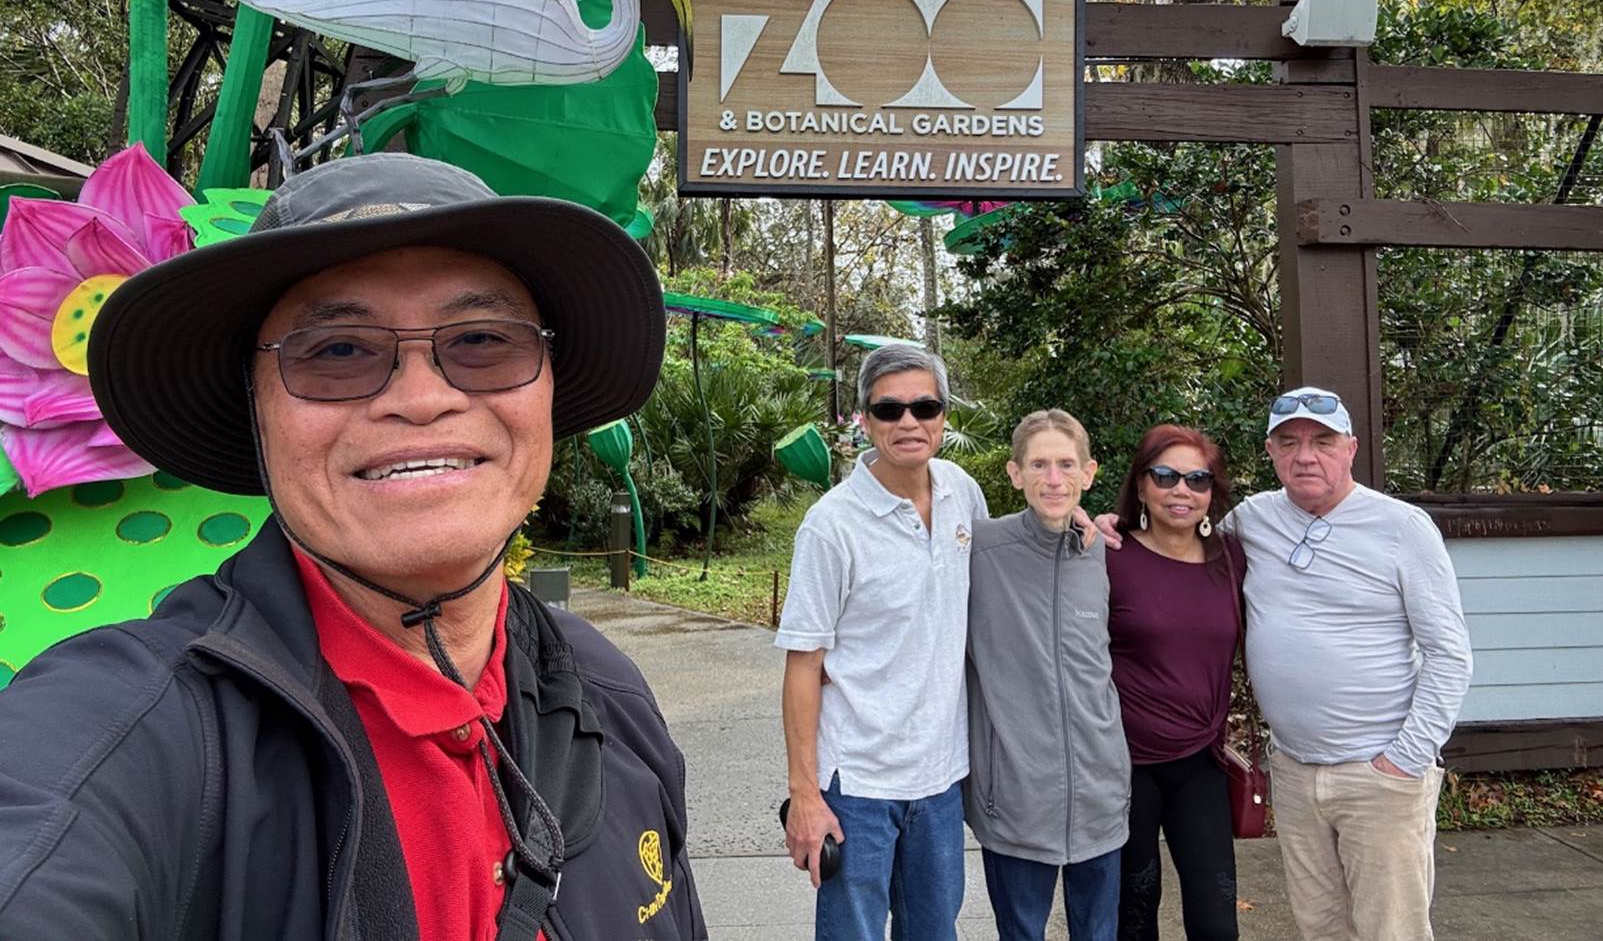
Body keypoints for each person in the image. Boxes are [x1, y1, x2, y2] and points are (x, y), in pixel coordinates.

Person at [0, 154, 705, 940]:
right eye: (337, 351)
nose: (423, 397)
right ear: (255, 409)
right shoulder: (131, 742)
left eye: (481, 339)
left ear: (545, 387)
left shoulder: (608, 697)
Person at [1235, 386, 1472, 941]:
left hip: (1380, 775)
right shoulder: (1252, 520)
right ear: (1270, 452)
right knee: (1319, 926)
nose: (1305, 455)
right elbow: (1179, 550)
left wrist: (1404, 760)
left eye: (1322, 440)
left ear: (1351, 449)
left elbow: (1449, 653)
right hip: (1293, 770)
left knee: (1392, 929)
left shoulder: (1402, 528)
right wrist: (1111, 531)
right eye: (1288, 442)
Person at [774, 343, 989, 941]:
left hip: (941, 778)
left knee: (934, 932)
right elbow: (802, 665)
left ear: (945, 415)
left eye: (925, 406)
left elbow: (1015, 565)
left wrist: (1077, 519)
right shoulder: (832, 525)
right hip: (857, 785)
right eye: (889, 410)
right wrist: (805, 795)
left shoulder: (962, 494)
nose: (909, 423)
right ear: (864, 421)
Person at [964, 409, 1130, 941]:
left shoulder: (1107, 552)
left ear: (1090, 472)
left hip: (1101, 794)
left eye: (1066, 464)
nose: (1053, 479)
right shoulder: (976, 549)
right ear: (1015, 474)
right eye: (1039, 464)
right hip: (1014, 797)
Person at [1107, 424, 1244, 941]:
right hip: (1124, 766)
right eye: (1164, 476)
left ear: (1213, 491)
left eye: (1197, 479)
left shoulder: (1232, 559)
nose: (1181, 490)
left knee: (1216, 921)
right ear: (1141, 485)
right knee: (1134, 917)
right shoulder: (1108, 555)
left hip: (1201, 764)